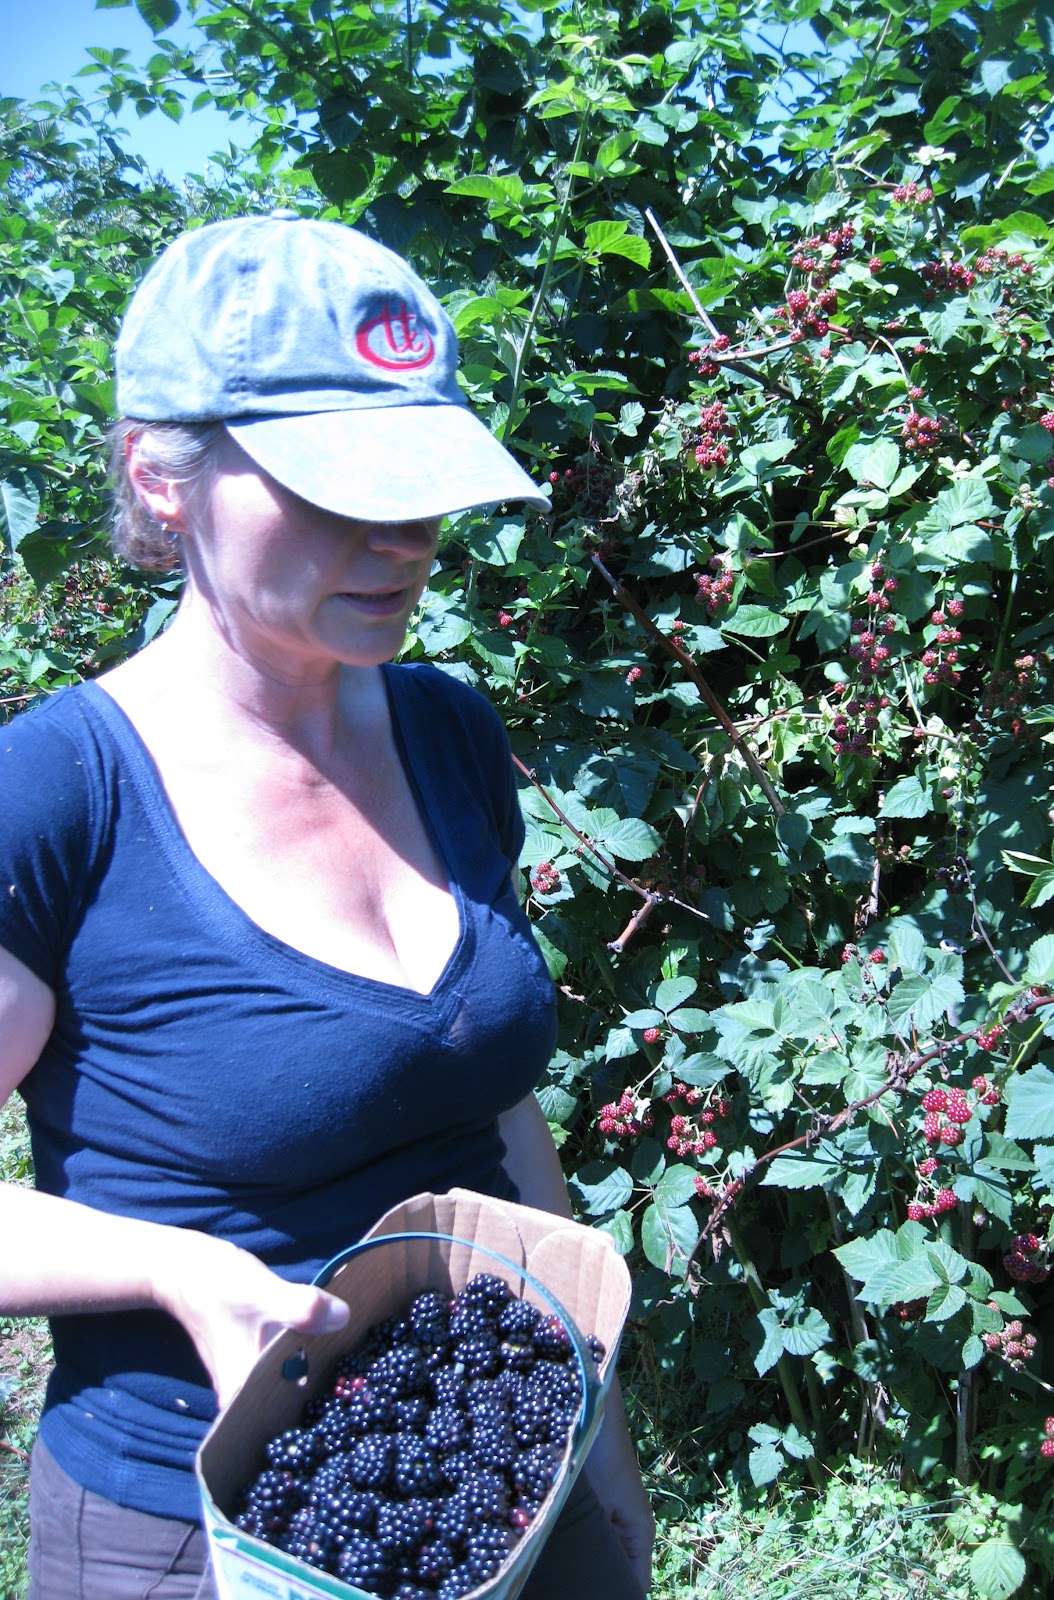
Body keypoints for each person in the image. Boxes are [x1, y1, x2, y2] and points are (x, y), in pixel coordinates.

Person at [0, 212, 654, 1600]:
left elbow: (497, 1109)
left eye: (418, 481)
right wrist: (182, 1273)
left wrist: (601, 1446)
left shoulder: (447, 729)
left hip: (505, 1472)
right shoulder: (54, 793)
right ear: (161, 479)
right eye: (335, 484)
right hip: (200, 1525)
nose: (403, 534)